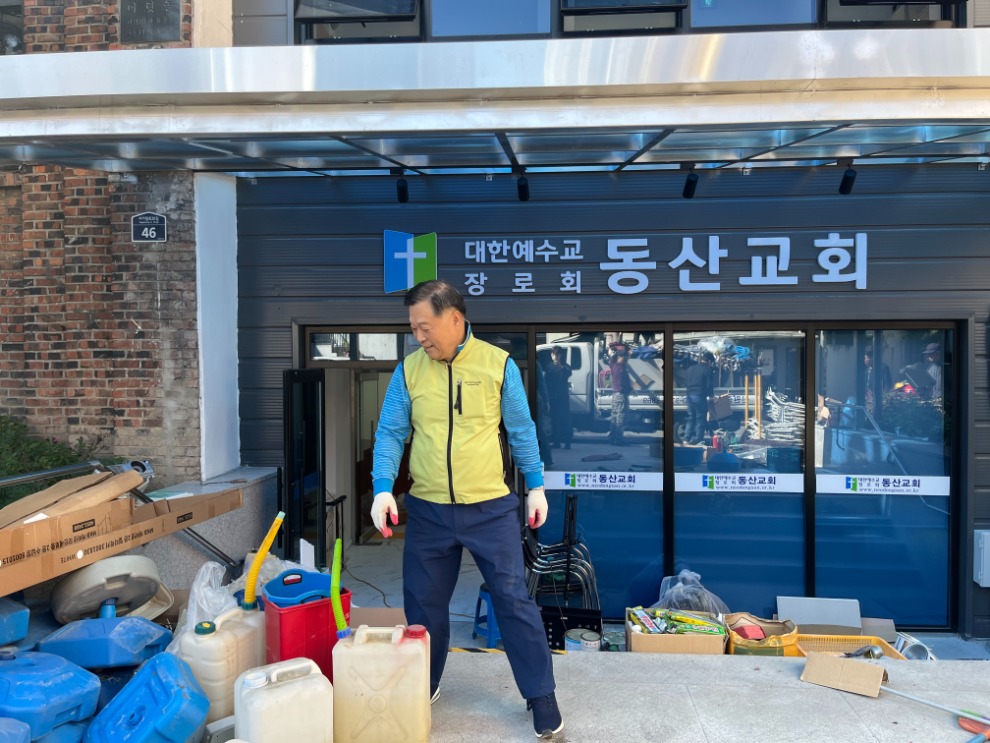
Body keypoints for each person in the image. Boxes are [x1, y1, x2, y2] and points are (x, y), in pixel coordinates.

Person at [370, 280, 563, 739]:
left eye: (425, 326)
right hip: (429, 510)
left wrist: (536, 486)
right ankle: (425, 682)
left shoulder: (497, 364)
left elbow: (521, 429)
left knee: (512, 600)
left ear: (454, 318)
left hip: (490, 509)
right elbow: (391, 432)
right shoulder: (409, 371)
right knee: (423, 605)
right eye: (413, 328)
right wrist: (382, 489)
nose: (419, 336)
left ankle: (541, 695)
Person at [683, 351, 715, 445]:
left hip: (689, 396)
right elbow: (709, 385)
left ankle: (686, 438)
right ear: (709, 361)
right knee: (700, 419)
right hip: (699, 396)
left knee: (691, 417)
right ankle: (698, 440)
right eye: (711, 362)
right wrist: (711, 396)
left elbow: (686, 382)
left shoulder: (690, 368)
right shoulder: (708, 370)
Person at [545, 346, 573, 449]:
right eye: (554, 354)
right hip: (553, 397)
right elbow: (547, 381)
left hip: (563, 397)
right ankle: (556, 442)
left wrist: (560, 366)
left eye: (558, 354)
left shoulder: (565, 366)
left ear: (561, 355)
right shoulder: (549, 367)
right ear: (551, 355)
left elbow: (568, 373)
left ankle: (567, 442)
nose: (556, 356)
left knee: (565, 420)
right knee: (554, 420)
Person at [607, 342, 634, 445]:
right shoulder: (620, 367)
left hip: (616, 394)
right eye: (626, 358)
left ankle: (613, 437)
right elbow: (624, 382)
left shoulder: (614, 365)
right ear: (621, 357)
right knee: (620, 417)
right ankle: (618, 439)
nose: (627, 360)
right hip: (621, 394)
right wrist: (630, 388)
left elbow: (611, 359)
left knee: (615, 416)